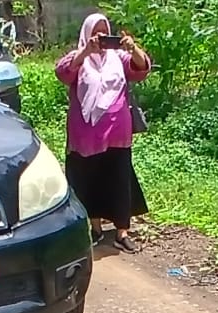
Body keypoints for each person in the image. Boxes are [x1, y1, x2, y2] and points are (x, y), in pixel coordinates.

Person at [55, 11, 152, 253]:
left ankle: (122, 232)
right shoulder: (78, 58)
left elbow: (141, 68)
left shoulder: (118, 57)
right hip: (85, 135)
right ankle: (95, 229)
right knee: (88, 179)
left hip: (117, 134)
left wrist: (133, 49)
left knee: (119, 179)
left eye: (104, 31)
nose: (100, 37)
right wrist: (86, 52)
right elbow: (63, 73)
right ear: (87, 34)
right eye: (95, 32)